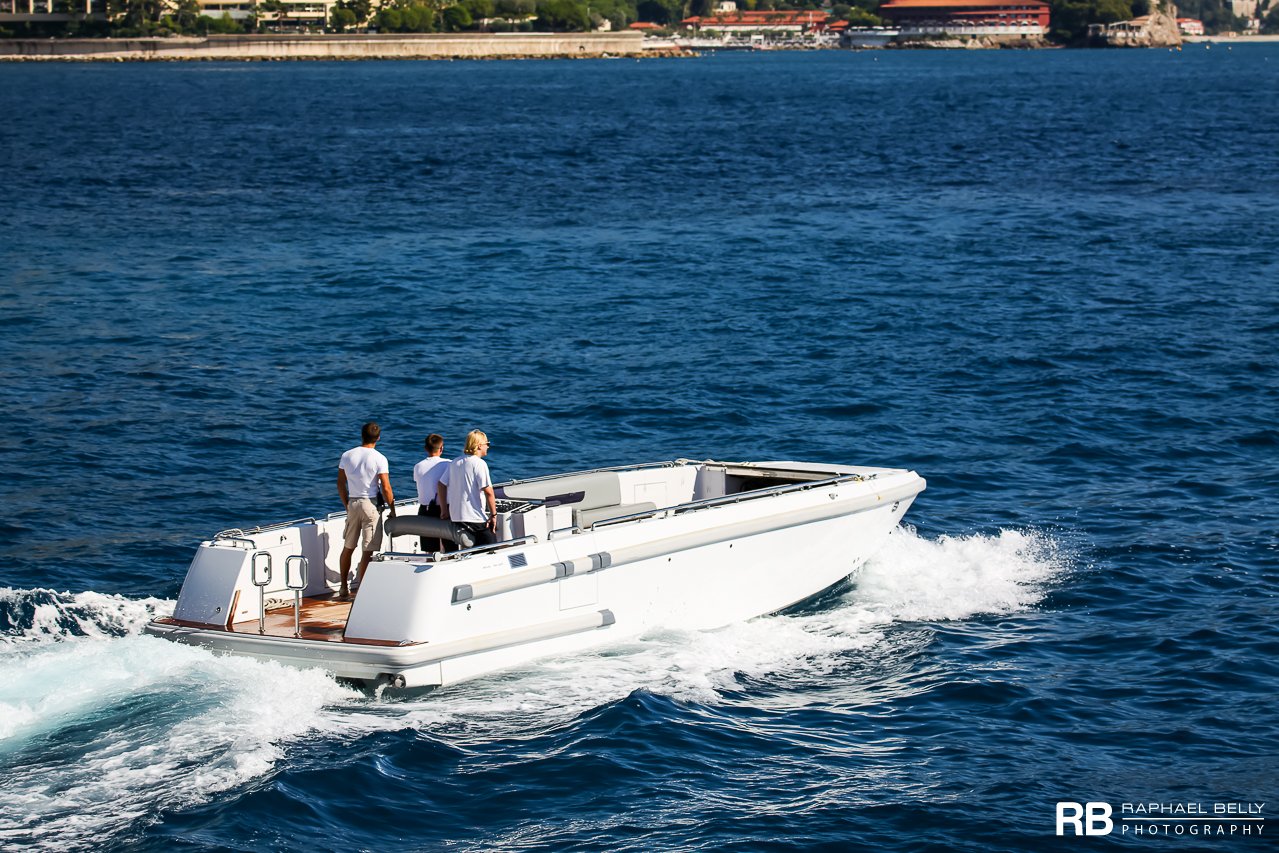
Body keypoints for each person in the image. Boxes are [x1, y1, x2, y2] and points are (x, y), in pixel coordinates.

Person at [337, 421, 395, 598]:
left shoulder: (347, 455)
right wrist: (392, 508)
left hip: (353, 503)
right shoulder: (379, 458)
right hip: (371, 505)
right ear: (378, 437)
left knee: (348, 547)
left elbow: (340, 483)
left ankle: (343, 587)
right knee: (367, 550)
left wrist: (347, 503)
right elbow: (385, 487)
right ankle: (362, 591)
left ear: (362, 435)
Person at [438, 429, 497, 548]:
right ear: (479, 446)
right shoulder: (479, 464)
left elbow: (441, 484)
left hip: (456, 517)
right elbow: (489, 492)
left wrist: (444, 510)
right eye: (487, 444)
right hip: (474, 518)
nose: (488, 447)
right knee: (492, 547)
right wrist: (493, 515)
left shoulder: (455, 462)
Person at [412, 433, 449, 553]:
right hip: (444, 508)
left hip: (425, 509)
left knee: (430, 551)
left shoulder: (418, 466)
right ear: (441, 448)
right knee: (449, 547)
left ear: (426, 448)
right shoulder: (449, 464)